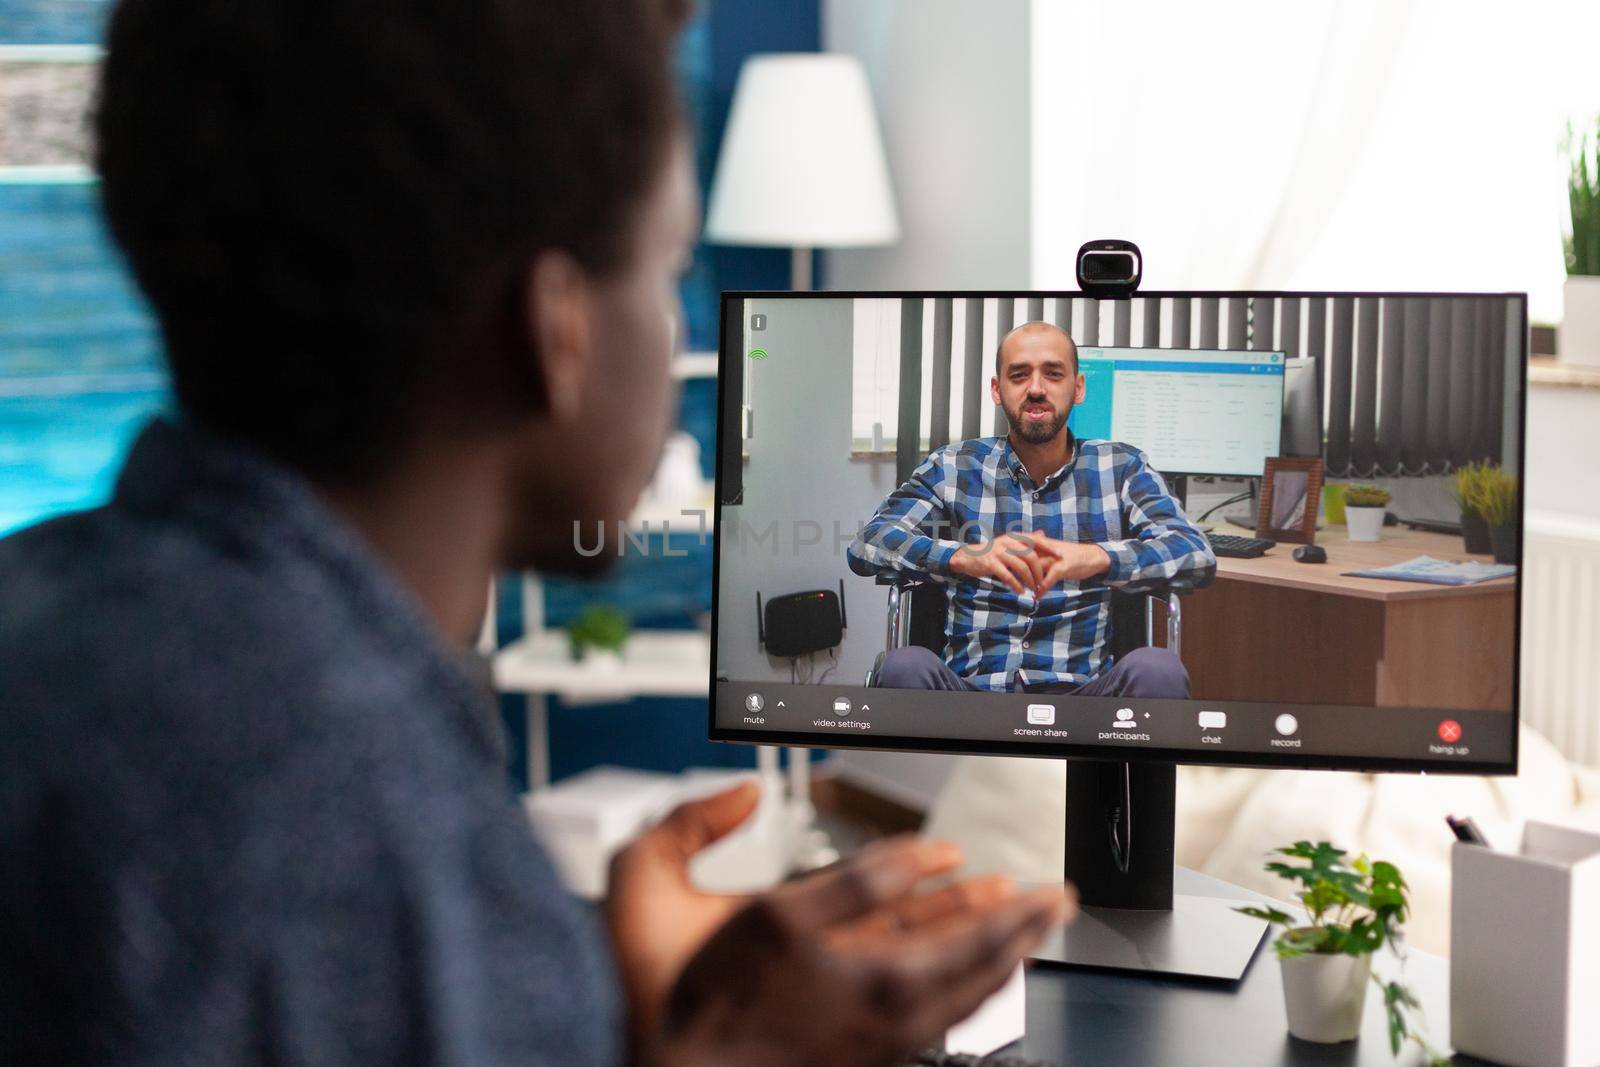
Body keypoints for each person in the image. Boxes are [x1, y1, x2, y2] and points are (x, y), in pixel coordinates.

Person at [0, 2, 1070, 1064]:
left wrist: (618, 1014)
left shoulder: (50, 614)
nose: (678, 334)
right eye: (666, 271)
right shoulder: (351, 802)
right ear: (554, 329)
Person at [847, 320, 1215, 696]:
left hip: (1084, 696)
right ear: (996, 389)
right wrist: (963, 557)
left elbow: (1194, 553)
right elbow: (869, 542)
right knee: (903, 665)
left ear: (1078, 387)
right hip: (970, 691)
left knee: (1158, 669)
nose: (1036, 389)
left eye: (1053, 374)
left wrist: (1094, 558)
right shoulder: (953, 466)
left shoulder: (1122, 467)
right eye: (1019, 375)